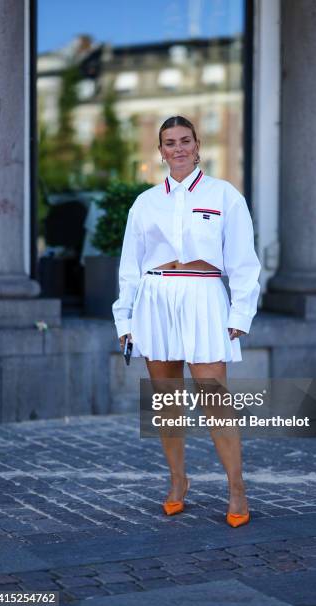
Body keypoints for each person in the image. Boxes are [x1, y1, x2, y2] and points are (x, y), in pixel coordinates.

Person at [112, 115, 262, 527]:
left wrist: (240, 313)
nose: (177, 148)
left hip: (204, 296)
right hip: (155, 298)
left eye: (184, 141)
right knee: (167, 404)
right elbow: (130, 266)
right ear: (160, 151)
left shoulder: (224, 195)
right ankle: (178, 480)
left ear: (198, 145)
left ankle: (237, 487)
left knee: (216, 399)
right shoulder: (145, 202)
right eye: (169, 142)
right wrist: (124, 320)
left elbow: (244, 261)